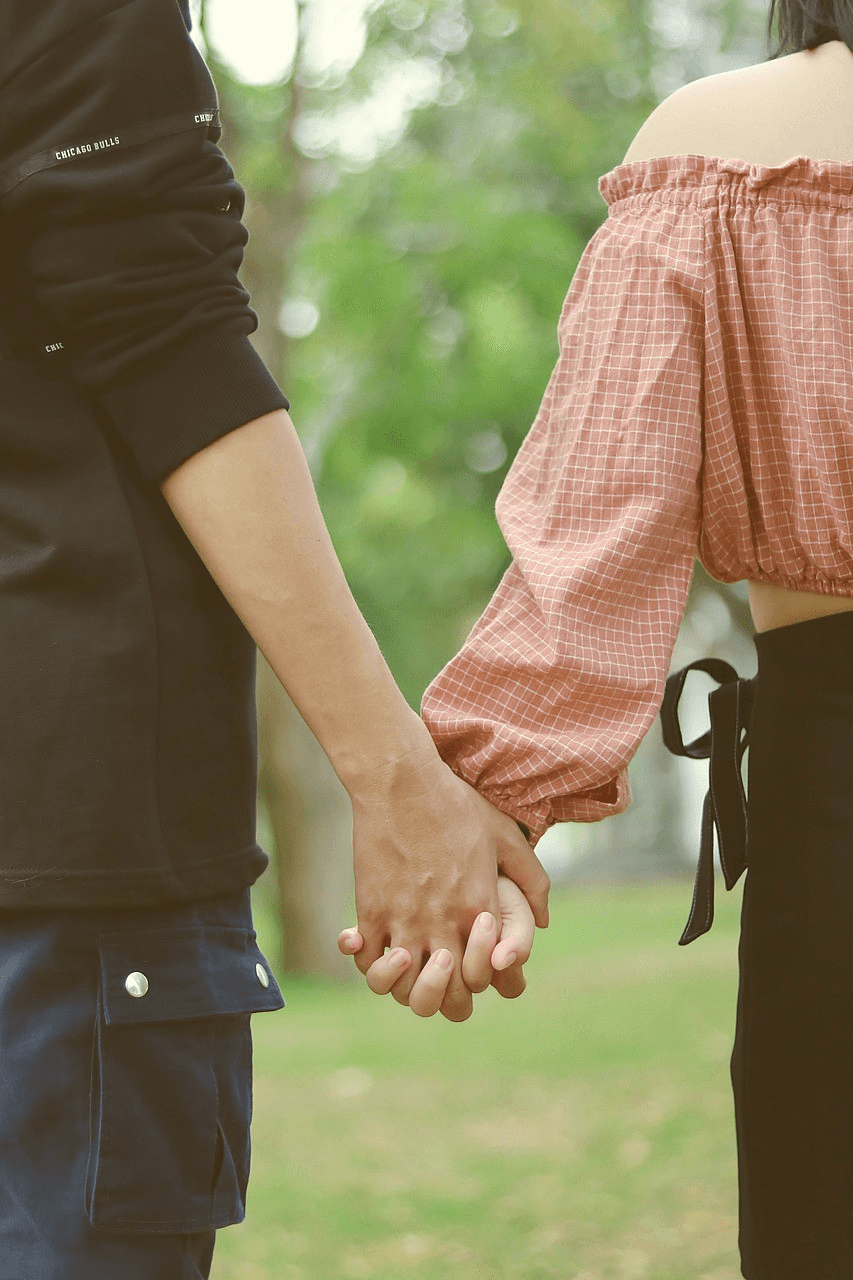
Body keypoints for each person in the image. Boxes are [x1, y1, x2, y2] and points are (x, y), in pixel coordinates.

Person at [0, 0, 848, 1277]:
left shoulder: (739, 150)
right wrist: (409, 787)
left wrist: (469, 788)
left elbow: (599, 535)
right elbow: (156, 319)